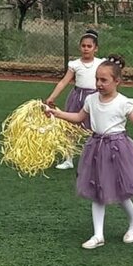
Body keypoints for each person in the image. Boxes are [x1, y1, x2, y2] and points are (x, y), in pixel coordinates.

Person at [46, 54, 133, 249]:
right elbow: (79, 117)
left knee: (121, 191)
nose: (99, 83)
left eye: (104, 80)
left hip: (118, 149)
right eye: (97, 79)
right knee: (97, 191)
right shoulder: (91, 100)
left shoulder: (124, 102)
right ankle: (98, 235)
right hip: (96, 147)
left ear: (117, 81)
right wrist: (58, 113)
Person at [45, 29, 104, 169]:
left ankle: (96, 157)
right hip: (77, 97)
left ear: (96, 48)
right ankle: (68, 159)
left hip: (95, 98)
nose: (86, 49)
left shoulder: (101, 63)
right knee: (70, 128)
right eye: (83, 46)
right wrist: (51, 97)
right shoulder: (75, 64)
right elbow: (63, 82)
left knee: (96, 128)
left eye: (89, 46)